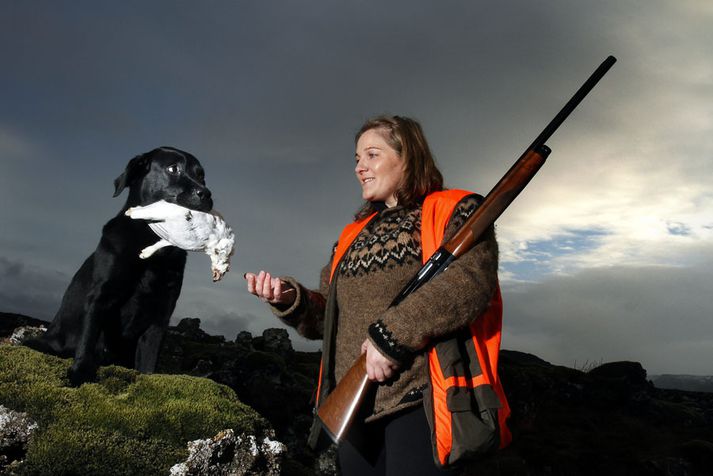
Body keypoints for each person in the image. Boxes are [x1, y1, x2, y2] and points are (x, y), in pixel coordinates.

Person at [245, 115, 504, 475]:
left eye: (371, 155)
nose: (359, 168)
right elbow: (328, 320)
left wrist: (391, 336)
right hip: (354, 412)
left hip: (420, 403)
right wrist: (291, 299)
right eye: (356, 159)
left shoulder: (455, 210)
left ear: (408, 157)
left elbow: (469, 284)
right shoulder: (350, 237)